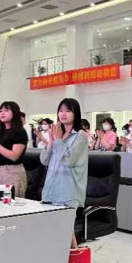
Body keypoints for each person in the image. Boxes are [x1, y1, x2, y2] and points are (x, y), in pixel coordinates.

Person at [41, 98, 88, 249]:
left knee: (65, 228)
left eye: (68, 110)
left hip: (69, 190)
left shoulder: (80, 135)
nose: (63, 114)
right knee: (53, 230)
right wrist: (51, 140)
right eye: (61, 110)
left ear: (76, 113)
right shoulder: (57, 134)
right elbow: (44, 160)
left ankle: (73, 258)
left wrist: (58, 141)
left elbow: (69, 160)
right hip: (51, 188)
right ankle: (67, 258)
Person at [0, 102, 29, 198]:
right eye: (0, 111)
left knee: (11, 201)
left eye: (6, 110)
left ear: (15, 113)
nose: (2, 113)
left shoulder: (20, 132)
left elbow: (14, 156)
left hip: (13, 172)